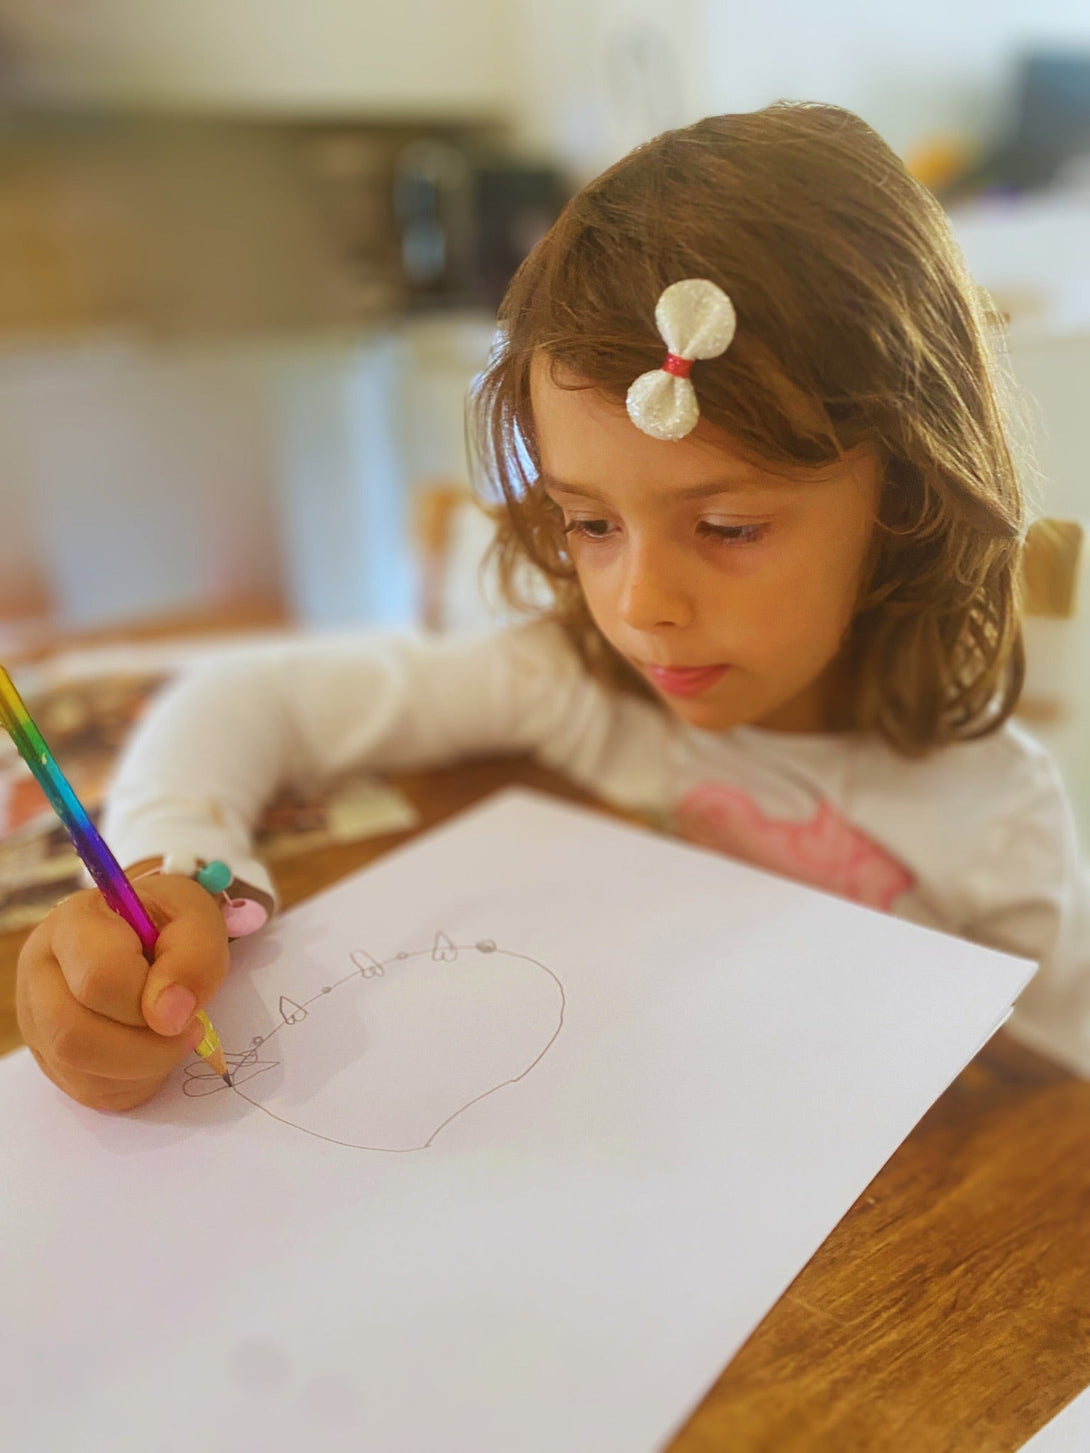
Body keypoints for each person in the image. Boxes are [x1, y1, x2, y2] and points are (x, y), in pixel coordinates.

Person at [17, 102, 1090, 1111]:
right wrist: (181, 870)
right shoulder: (577, 681)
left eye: (725, 529)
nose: (641, 604)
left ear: (903, 496)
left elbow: (1056, 1117)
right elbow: (250, 699)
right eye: (589, 523)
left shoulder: (991, 825)